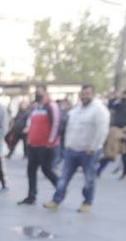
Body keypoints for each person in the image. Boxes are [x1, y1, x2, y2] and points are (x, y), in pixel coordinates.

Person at [44, 84, 109, 212]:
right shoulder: (76, 109)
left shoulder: (99, 110)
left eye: (87, 94)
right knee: (63, 178)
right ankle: (56, 200)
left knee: (89, 179)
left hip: (88, 152)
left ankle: (87, 202)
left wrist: (94, 147)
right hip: (72, 150)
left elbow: (102, 131)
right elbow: (70, 128)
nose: (84, 96)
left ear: (93, 95)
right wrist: (67, 144)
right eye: (82, 94)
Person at [17, 86, 59, 205]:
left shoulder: (51, 106)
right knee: (31, 171)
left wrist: (50, 142)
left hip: (45, 145)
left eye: (39, 92)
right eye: (36, 92)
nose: (37, 94)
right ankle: (31, 196)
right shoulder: (35, 108)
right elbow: (30, 123)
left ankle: (60, 188)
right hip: (33, 144)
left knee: (47, 170)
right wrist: (29, 137)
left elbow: (56, 124)